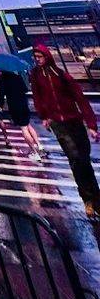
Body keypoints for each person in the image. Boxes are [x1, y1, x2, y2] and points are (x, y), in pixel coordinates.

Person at [30, 44, 100, 218]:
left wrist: (91, 125)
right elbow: (37, 98)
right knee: (75, 159)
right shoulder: (36, 76)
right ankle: (87, 200)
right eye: (36, 57)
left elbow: (81, 99)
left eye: (40, 57)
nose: (38, 60)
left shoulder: (61, 76)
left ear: (47, 57)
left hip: (74, 121)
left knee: (84, 161)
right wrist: (44, 116)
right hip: (58, 124)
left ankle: (95, 199)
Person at [0, 68, 44, 160]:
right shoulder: (17, 76)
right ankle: (39, 145)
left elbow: (1, 94)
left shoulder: (1, 79)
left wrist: (0, 105)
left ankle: (34, 152)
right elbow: (25, 89)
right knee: (28, 124)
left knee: (24, 128)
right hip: (23, 103)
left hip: (14, 105)